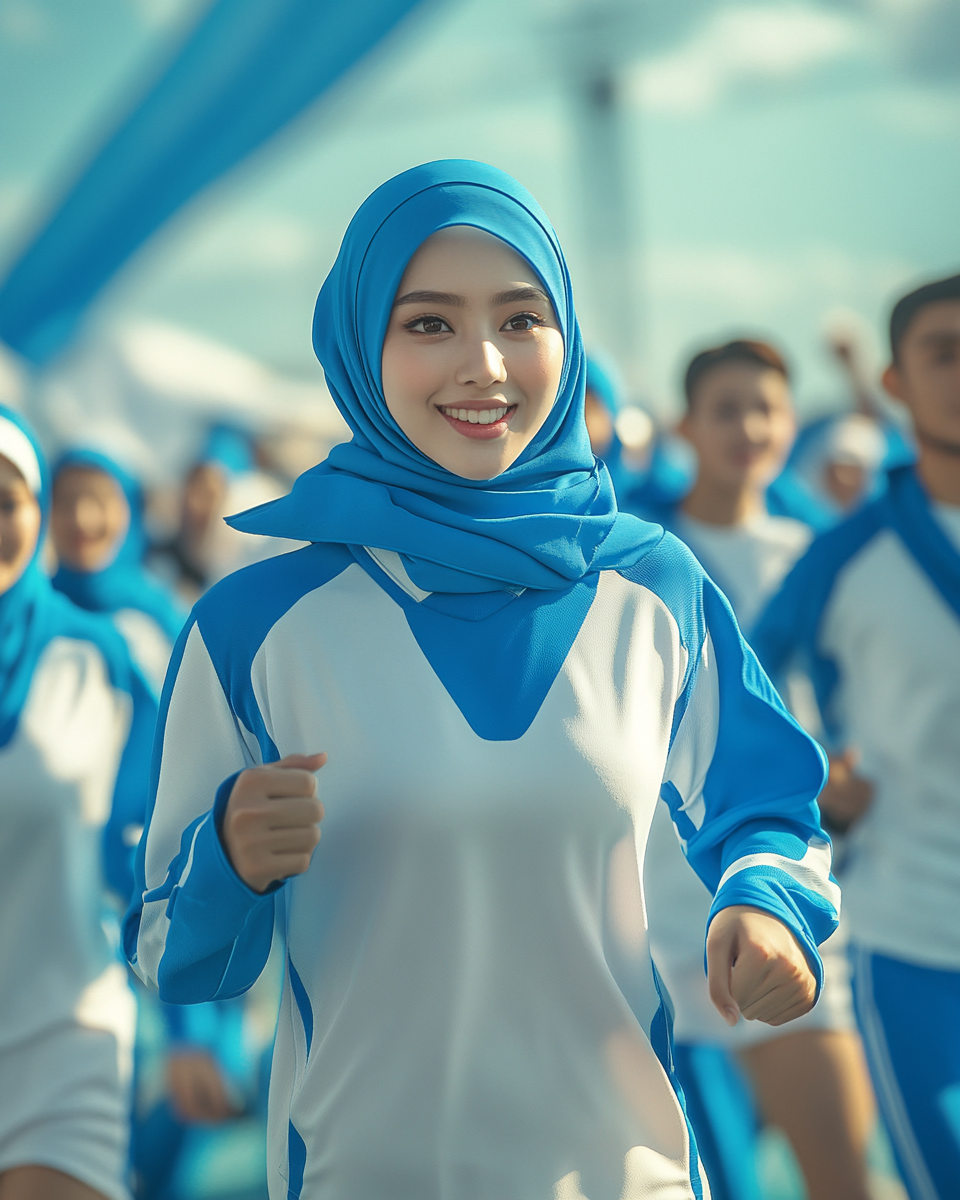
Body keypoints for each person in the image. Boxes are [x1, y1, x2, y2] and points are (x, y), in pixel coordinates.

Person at [124, 160, 839, 1200]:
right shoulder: (253, 624)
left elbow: (770, 806)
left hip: (623, 1175)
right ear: (359, 346)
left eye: (519, 319)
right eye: (428, 325)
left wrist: (766, 906)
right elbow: (168, 953)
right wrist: (228, 861)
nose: (485, 366)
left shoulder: (651, 585)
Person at [641, 340, 874, 1200]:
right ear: (685, 426)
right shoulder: (634, 557)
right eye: (728, 407)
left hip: (785, 905)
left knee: (842, 1179)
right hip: (655, 932)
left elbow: (856, 702)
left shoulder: (818, 552)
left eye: (768, 408)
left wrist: (847, 783)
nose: (751, 427)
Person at [752, 272, 960, 1200]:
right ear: (895, 382)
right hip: (913, 938)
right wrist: (815, 782)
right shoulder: (842, 557)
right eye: (943, 354)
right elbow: (736, 697)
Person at [0, 406, 155, 1200]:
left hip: (65, 1038)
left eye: (6, 500)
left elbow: (159, 853)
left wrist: (200, 1030)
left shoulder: (100, 661)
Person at [50, 448, 185, 698]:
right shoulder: (27, 611)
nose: (82, 518)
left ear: (130, 510)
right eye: (66, 501)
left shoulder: (161, 617)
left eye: (100, 501)